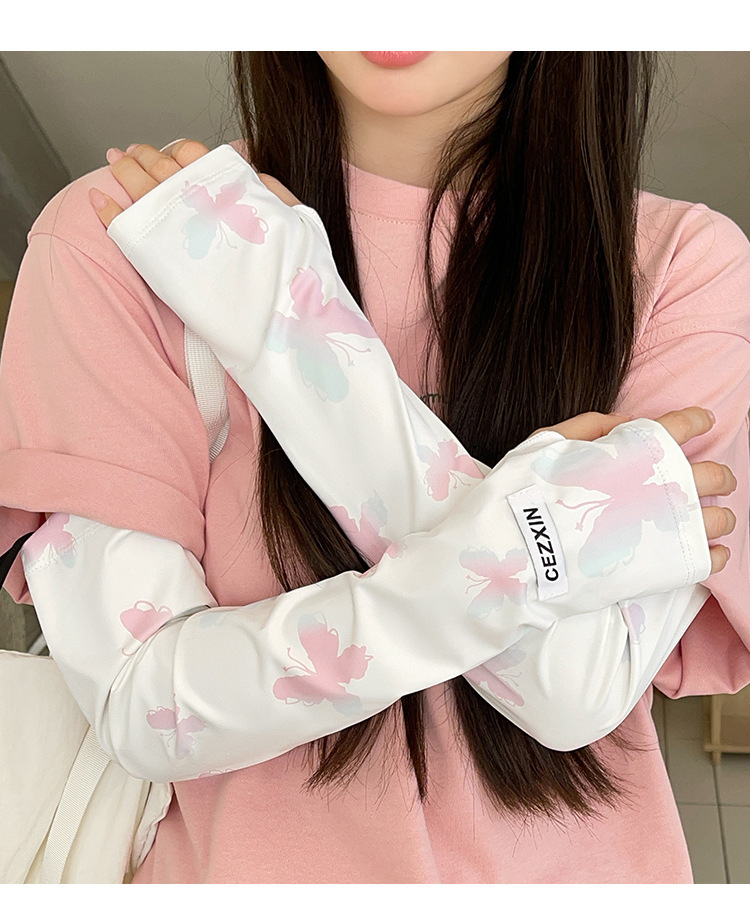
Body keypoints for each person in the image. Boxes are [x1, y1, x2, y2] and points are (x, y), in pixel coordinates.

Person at [0, 51, 748, 883]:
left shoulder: (684, 267)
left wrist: (287, 321)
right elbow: (143, 706)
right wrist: (528, 545)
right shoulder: (127, 231)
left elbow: (575, 690)